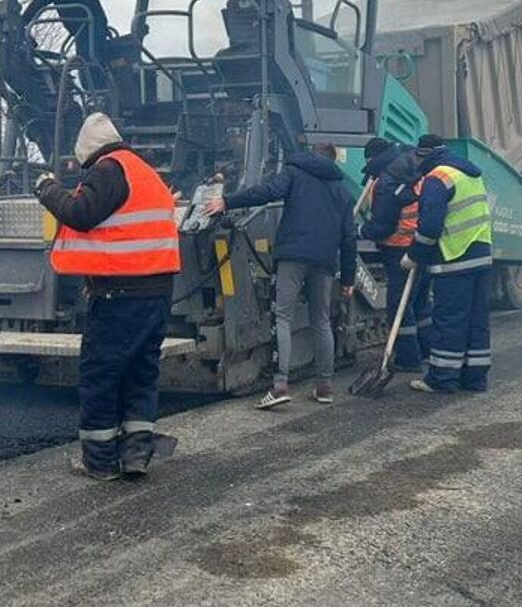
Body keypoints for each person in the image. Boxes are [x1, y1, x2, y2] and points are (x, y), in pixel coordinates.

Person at [38, 113, 181, 480]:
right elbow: (123, 236)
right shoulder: (144, 172)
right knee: (140, 372)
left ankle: (99, 461)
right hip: (155, 292)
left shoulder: (108, 169)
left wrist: (48, 189)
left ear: (89, 150)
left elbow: (81, 213)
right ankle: (136, 454)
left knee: (101, 373)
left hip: (121, 296)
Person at [204, 140, 358, 409]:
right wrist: (347, 279)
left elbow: (267, 192)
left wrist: (227, 202)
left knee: (282, 317)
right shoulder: (342, 191)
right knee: (321, 321)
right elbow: (349, 240)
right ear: (333, 161)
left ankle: (279, 387)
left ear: (313, 155)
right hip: (324, 261)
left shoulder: (295, 172)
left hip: (293, 256)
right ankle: (324, 387)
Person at [405, 134, 494, 394]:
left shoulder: (437, 179)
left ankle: (443, 378)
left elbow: (430, 227)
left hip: (455, 258)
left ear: (423, 155)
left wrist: (414, 255)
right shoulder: (469, 173)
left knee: (449, 320)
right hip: (481, 254)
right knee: (477, 321)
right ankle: (475, 378)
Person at [359, 137, 430, 372]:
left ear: (373, 159)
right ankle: (425, 351)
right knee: (418, 302)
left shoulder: (388, 180)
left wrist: (361, 230)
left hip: (399, 248)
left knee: (398, 306)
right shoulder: (411, 166)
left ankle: (408, 359)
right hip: (421, 244)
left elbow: (383, 226)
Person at [22, 0, 110, 66]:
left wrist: (23, 20)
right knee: (96, 62)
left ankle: (97, 81)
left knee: (87, 65)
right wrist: (104, 26)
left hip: (85, 27)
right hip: (93, 25)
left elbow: (41, 0)